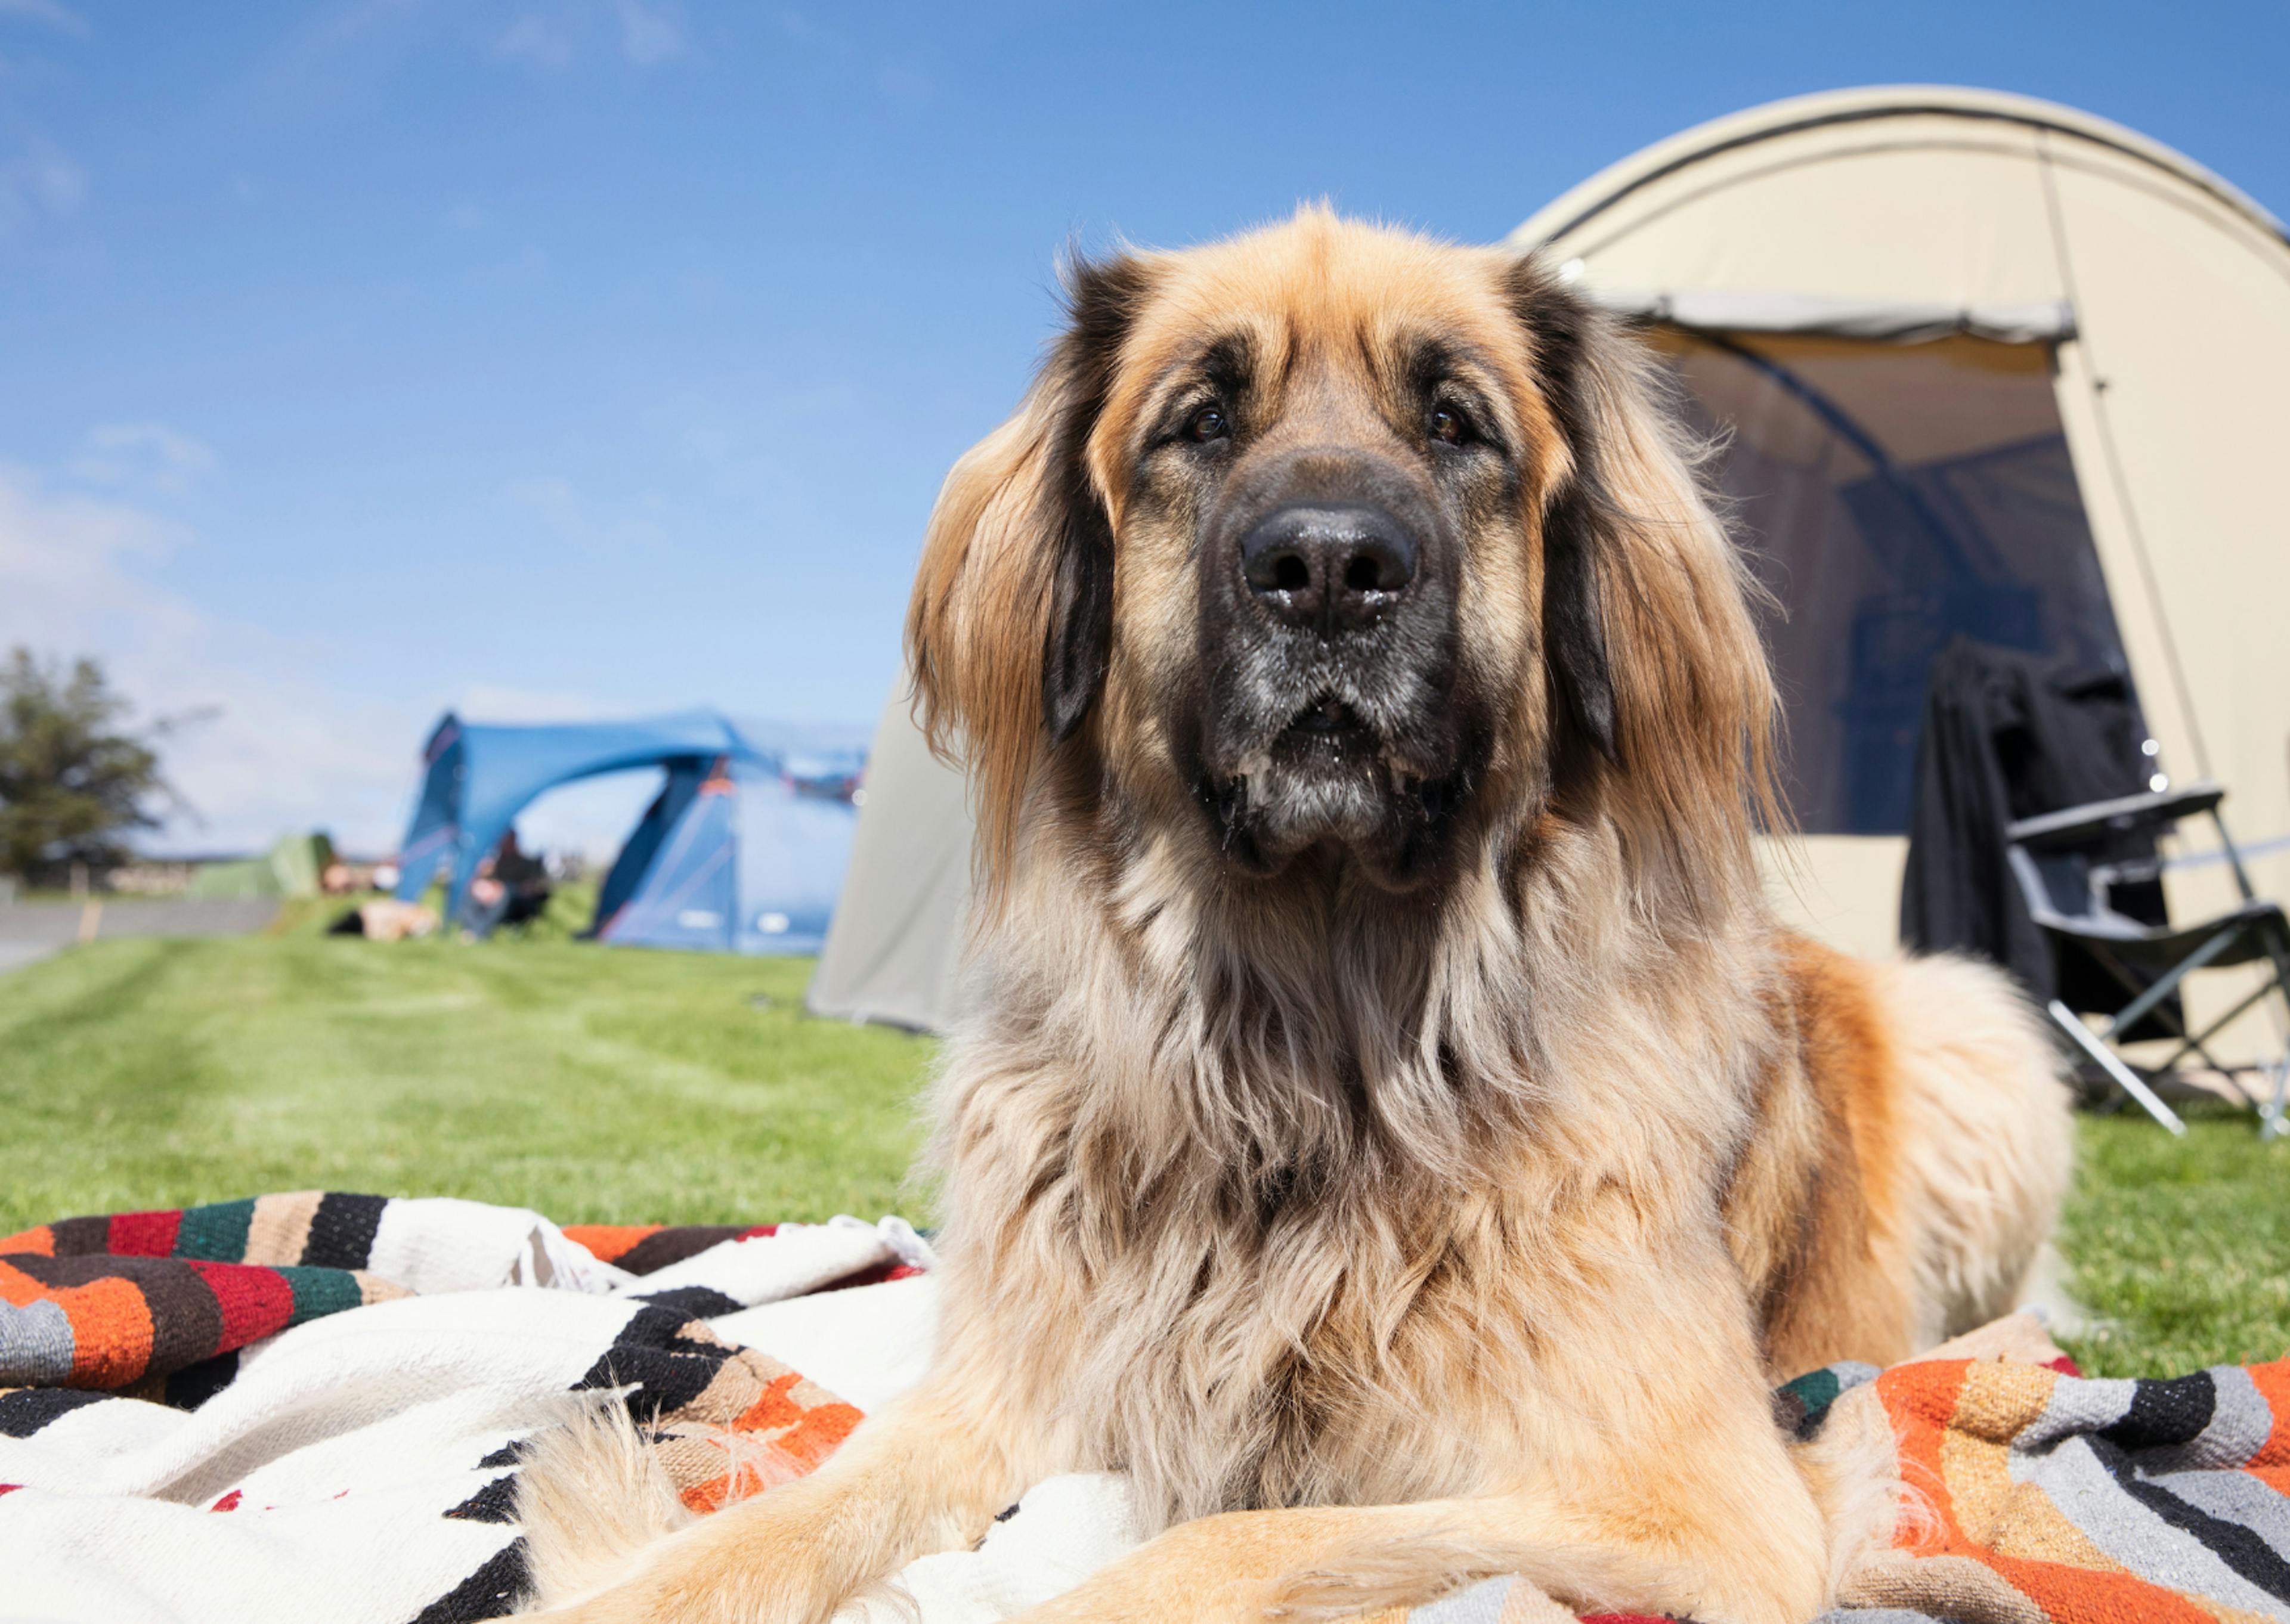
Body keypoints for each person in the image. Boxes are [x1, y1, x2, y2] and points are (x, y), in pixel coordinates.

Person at [462, 829, 553, 936]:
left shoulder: (528, 864)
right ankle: (471, 930)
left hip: (517, 901)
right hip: (491, 896)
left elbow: (537, 886)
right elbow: (484, 879)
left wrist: (523, 888)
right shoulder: (494, 863)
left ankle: (478, 933)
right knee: (469, 892)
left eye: (508, 840)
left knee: (504, 893)